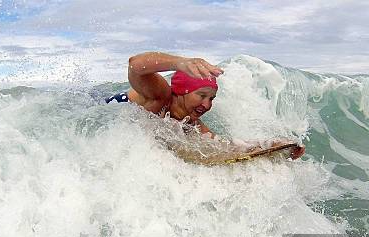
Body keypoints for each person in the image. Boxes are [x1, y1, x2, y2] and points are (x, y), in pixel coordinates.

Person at [121, 52, 305, 160]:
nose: (207, 104)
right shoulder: (161, 96)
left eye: (211, 98)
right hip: (109, 105)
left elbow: (225, 146)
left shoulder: (191, 123)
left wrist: (277, 147)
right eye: (202, 95)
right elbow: (134, 65)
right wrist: (179, 63)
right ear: (183, 91)